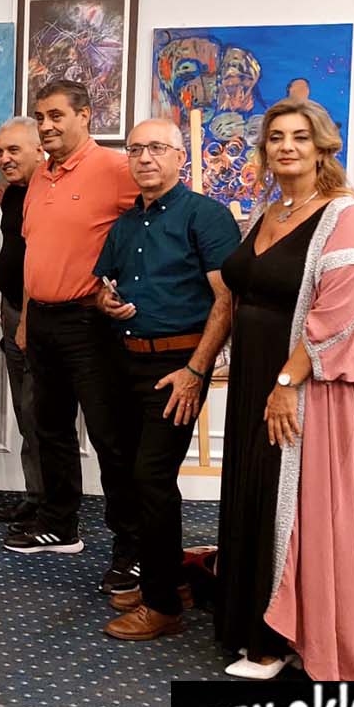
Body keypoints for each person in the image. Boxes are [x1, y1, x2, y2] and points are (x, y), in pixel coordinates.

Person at [216, 98, 354, 680]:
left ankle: (274, 641)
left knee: (286, 501)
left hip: (303, 385)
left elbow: (338, 312)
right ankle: (247, 622)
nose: (286, 146)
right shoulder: (266, 212)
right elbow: (241, 293)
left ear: (322, 147)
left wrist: (286, 383)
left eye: (299, 136)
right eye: (276, 137)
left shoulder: (342, 213)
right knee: (252, 490)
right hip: (252, 377)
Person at [91, 119, 240, 640]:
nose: (145, 158)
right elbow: (102, 288)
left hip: (178, 367)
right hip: (123, 361)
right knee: (133, 476)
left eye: (157, 148)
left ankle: (162, 607)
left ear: (181, 157)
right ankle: (169, 579)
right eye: (136, 149)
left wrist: (196, 371)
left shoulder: (206, 216)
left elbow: (227, 300)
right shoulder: (125, 225)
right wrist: (105, 302)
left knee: (151, 477)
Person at [5, 80, 140, 596]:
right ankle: (59, 525)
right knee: (50, 428)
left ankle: (132, 549)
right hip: (41, 320)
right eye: (40, 117)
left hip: (90, 324)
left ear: (85, 115)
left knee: (110, 439)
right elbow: (37, 251)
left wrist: (126, 287)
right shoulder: (41, 175)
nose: (46, 126)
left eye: (56, 115)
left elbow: (155, 226)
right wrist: (25, 320)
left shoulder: (116, 169)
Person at [0, 116, 44, 527]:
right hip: (11, 310)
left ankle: (54, 505)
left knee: (41, 412)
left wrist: (26, 318)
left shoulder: (49, 194)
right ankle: (36, 496)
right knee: (26, 413)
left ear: (39, 151)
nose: (4, 159)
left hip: (40, 315)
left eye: (13, 150)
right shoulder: (12, 194)